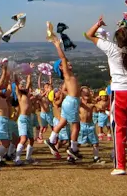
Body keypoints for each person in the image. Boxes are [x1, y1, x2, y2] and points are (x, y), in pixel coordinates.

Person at [83, 3, 127, 176]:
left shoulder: (111, 48)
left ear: (118, 39)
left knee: (119, 130)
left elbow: (88, 35)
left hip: (120, 93)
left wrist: (98, 24)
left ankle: (120, 166)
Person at [44, 34, 82, 163]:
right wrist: (57, 45)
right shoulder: (67, 74)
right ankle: (73, 148)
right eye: (65, 64)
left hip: (69, 102)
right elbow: (63, 57)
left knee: (63, 122)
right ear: (61, 67)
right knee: (76, 126)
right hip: (72, 101)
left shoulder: (70, 76)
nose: (68, 63)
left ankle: (51, 139)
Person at [15, 67, 36, 165]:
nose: (23, 86)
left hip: (28, 118)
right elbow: (16, 84)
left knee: (31, 139)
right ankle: (17, 158)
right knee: (23, 139)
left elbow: (29, 81)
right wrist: (15, 74)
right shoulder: (20, 95)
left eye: (24, 85)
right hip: (23, 118)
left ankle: (28, 157)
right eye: (21, 85)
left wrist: (30, 71)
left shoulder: (27, 94)